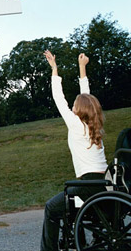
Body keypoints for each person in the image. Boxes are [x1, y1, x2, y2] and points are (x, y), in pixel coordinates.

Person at [40, 50, 108, 251]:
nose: (73, 108)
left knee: (52, 208)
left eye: (76, 106)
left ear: (78, 110)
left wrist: (54, 70)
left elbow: (59, 99)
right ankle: (78, 241)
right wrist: (82, 69)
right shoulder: (95, 127)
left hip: (88, 186)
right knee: (69, 201)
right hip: (102, 183)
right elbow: (88, 99)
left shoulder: (77, 125)